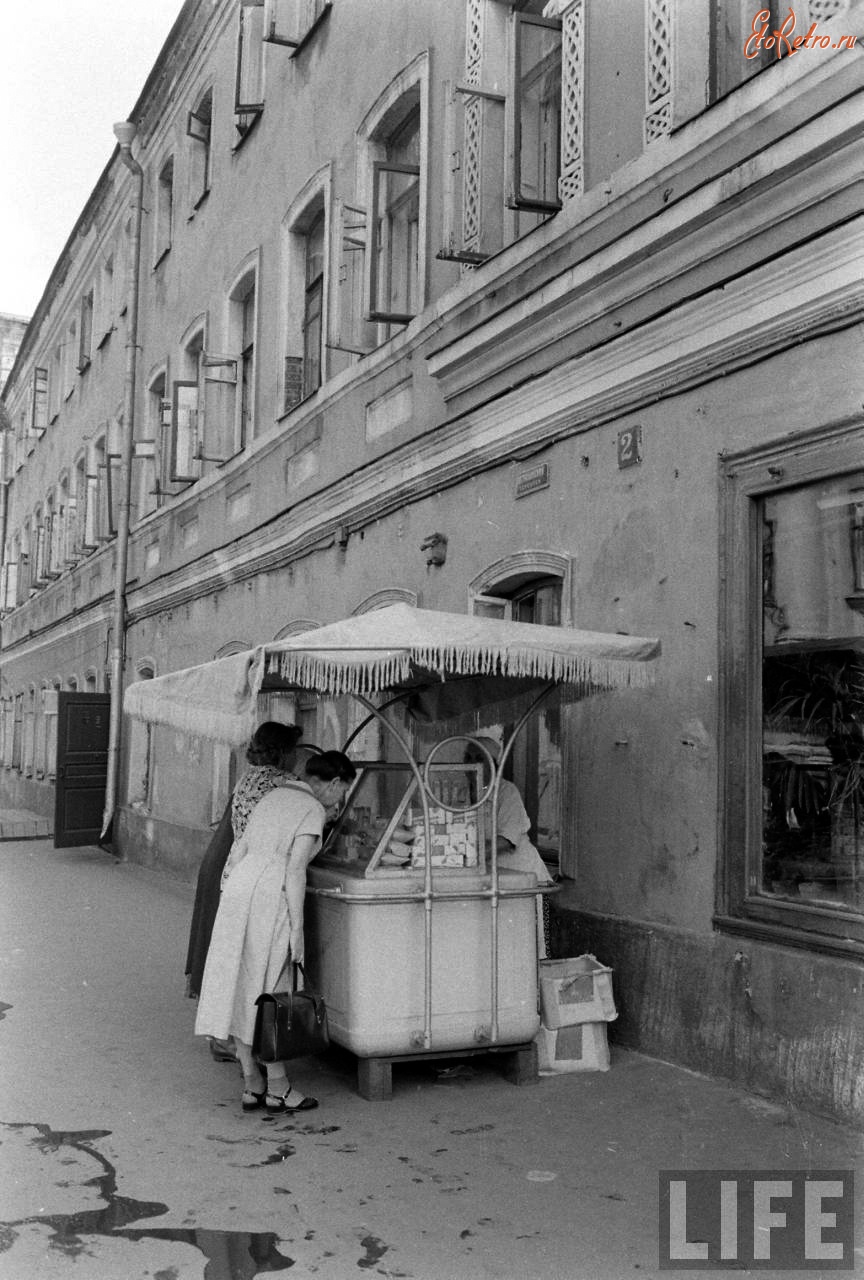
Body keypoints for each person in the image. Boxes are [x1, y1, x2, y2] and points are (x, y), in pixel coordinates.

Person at [194, 750, 356, 1113]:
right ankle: (279, 1086)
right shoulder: (311, 809)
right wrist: (297, 929)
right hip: (270, 893)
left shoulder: (273, 796)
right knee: (271, 988)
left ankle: (252, 1082)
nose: (339, 802)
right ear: (332, 783)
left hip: (239, 886)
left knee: (240, 984)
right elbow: (295, 870)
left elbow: (240, 849)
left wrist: (235, 888)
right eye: (342, 792)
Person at [184, 721, 303, 1043]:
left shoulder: (246, 779)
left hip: (233, 870)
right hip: (265, 878)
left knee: (230, 956)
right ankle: (250, 1039)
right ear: (284, 753)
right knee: (256, 964)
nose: (297, 757)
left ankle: (223, 1036)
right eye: (294, 750)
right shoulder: (285, 783)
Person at [464, 736, 553, 959]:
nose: (472, 763)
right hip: (495, 882)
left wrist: (465, 857)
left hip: (526, 881)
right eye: (468, 757)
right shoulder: (463, 795)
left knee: (531, 947)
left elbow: (505, 840)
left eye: (480, 758)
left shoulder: (506, 792)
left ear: (493, 764)